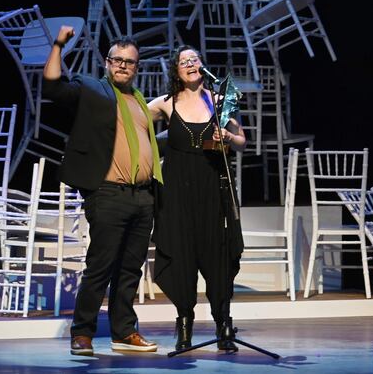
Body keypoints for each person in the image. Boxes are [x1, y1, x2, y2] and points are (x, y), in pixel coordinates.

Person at [42, 26, 163, 356]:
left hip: (142, 196)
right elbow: (52, 87)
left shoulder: (140, 103)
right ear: (108, 63)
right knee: (100, 267)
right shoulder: (93, 90)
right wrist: (58, 44)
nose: (123, 66)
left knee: (130, 270)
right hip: (108, 193)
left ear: (137, 67)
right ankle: (82, 333)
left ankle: (124, 332)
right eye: (117, 60)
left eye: (130, 62)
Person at [147, 45, 246, 352]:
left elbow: (242, 141)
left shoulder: (219, 101)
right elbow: (133, 118)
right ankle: (185, 324)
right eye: (183, 61)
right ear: (176, 71)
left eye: (194, 59)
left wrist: (227, 138)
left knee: (217, 257)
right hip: (176, 193)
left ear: (202, 66)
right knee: (181, 257)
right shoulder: (166, 103)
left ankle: (223, 324)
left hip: (212, 190)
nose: (190, 64)